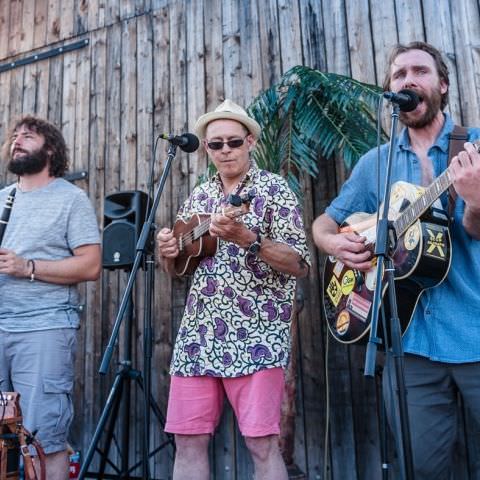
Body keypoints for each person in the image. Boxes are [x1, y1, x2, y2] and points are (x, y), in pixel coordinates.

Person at [312, 41, 480, 479]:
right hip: (410, 345)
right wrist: (335, 246)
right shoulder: (377, 164)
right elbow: (323, 225)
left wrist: (475, 203)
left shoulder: (473, 150)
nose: (408, 80)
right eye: (399, 73)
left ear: (442, 85)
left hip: (476, 333)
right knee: (421, 469)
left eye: (420, 72)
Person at [157, 99, 310, 480]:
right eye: (216, 144)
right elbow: (178, 267)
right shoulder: (198, 197)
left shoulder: (273, 190)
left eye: (233, 142)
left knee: (262, 444)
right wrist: (168, 251)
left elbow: (300, 264)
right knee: (188, 440)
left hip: (255, 333)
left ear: (250, 142)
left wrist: (248, 238)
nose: (225, 150)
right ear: (206, 149)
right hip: (198, 334)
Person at [0, 116, 101, 480]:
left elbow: (91, 265)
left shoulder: (70, 199)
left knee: (42, 439)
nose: (17, 140)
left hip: (43, 328)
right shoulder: (2, 199)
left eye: (28, 136)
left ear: (51, 149)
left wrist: (27, 266)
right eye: (15, 136)